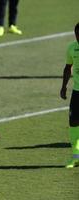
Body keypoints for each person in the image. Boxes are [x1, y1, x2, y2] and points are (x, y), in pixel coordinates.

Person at [60, 22, 79, 168]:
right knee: (73, 122)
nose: (77, 37)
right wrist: (64, 87)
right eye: (76, 34)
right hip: (77, 92)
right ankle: (75, 156)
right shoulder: (72, 47)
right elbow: (68, 67)